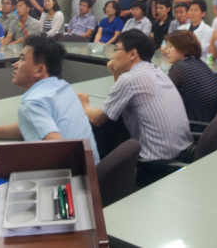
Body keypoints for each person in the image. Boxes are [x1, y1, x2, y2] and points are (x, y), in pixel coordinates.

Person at [0, 36, 99, 164]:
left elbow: (58, 150)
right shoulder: (63, 87)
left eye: (22, 59)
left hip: (75, 178)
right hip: (93, 169)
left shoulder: (33, 104)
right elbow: (33, 126)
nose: (15, 64)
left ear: (39, 70)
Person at [78, 30, 193, 179]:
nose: (112, 55)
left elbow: (97, 119)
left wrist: (84, 104)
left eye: (116, 49)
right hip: (182, 155)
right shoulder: (156, 71)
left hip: (154, 165)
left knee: (102, 135)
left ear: (132, 54)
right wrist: (116, 74)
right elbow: (122, 100)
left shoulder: (129, 79)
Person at [164, 30, 217, 124]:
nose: (166, 51)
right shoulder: (198, 62)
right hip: (210, 122)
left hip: (196, 125)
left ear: (183, 49)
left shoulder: (181, 67)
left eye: (170, 46)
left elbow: (161, 94)